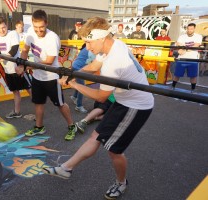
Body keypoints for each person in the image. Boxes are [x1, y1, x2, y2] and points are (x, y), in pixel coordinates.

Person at [42, 16, 154, 199]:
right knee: (96, 136)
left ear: (101, 38)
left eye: (89, 42)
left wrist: (74, 84)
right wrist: (73, 73)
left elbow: (101, 96)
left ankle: (121, 183)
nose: (87, 47)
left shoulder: (114, 61)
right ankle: (66, 168)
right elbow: (94, 65)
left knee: (114, 150)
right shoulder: (113, 45)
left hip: (136, 106)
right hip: (123, 100)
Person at [15, 10, 77, 141]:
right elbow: (25, 50)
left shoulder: (52, 38)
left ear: (46, 23)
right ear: (32, 24)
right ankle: (39, 127)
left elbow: (49, 61)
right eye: (36, 27)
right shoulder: (31, 33)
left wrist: (27, 66)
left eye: (41, 27)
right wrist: (21, 64)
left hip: (52, 78)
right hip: (38, 77)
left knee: (60, 104)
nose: (38, 30)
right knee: (38, 103)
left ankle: (72, 126)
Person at [0, 16, 31, 119]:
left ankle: (39, 109)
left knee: (29, 88)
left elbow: (14, 49)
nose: (1, 30)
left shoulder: (12, 34)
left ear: (7, 25)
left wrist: (2, 58)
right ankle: (17, 112)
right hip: (8, 69)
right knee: (15, 91)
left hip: (18, 67)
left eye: (3, 27)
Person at [171, 23, 202, 92]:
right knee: (177, 74)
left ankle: (193, 89)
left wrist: (184, 48)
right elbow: (178, 44)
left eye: (191, 29)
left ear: (194, 29)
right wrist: (184, 48)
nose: (189, 30)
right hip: (182, 58)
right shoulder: (182, 36)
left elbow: (196, 46)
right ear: (186, 29)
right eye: (188, 29)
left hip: (193, 58)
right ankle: (172, 87)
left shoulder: (198, 36)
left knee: (193, 76)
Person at [70, 43, 95, 113]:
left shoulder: (86, 48)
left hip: (75, 66)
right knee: (82, 87)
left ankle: (74, 97)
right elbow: (93, 65)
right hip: (79, 68)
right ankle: (79, 106)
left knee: (79, 84)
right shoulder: (92, 50)